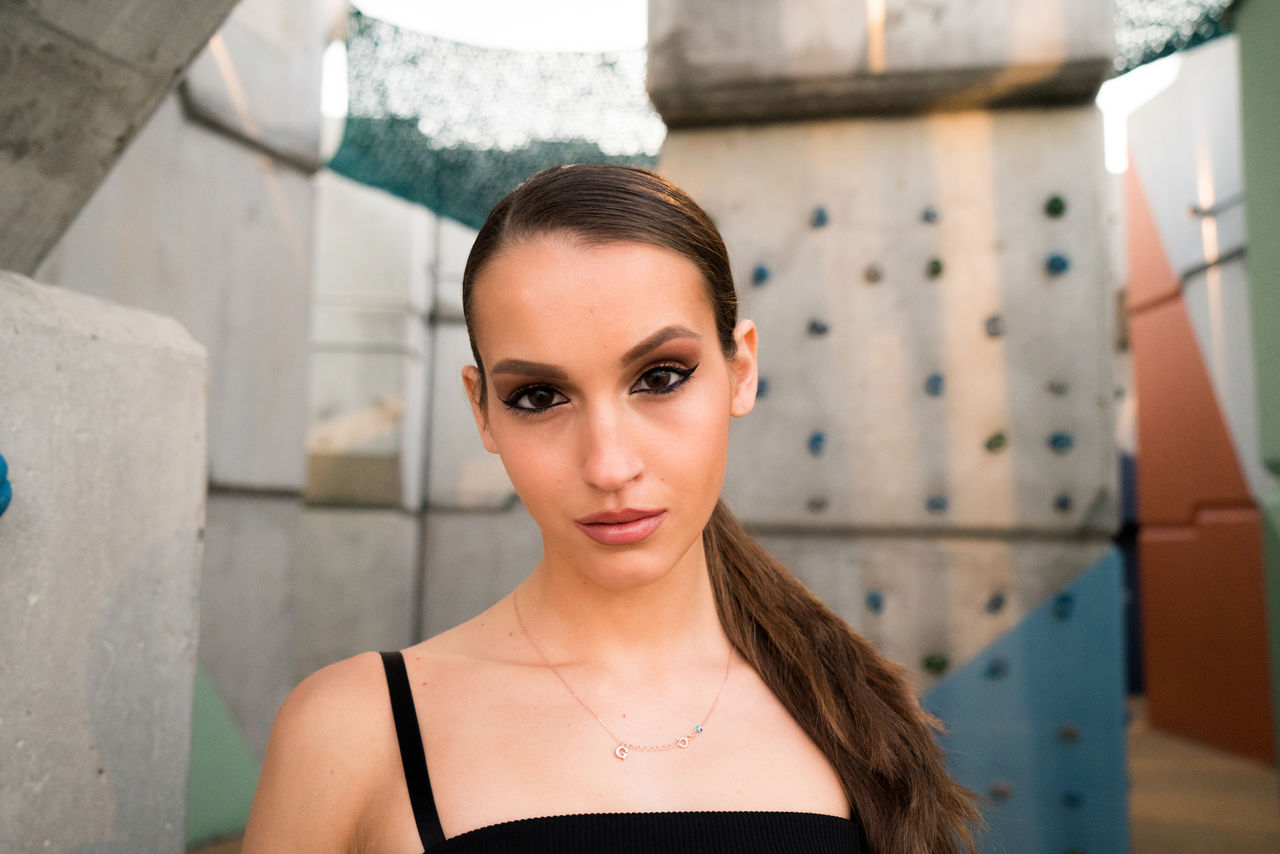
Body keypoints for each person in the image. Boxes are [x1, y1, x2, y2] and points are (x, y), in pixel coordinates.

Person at [243, 163, 979, 853]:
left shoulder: (857, 718)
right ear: (482, 411)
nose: (608, 464)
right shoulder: (353, 728)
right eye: (539, 397)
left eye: (660, 378)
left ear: (740, 370)